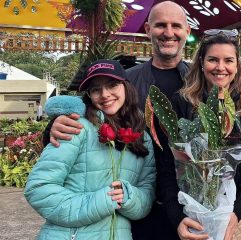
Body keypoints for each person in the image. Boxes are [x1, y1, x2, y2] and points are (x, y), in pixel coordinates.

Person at [42, 1, 192, 239]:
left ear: (188, 31)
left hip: (190, 204)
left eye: (176, 26)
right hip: (137, 211)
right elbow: (88, 110)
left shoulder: (200, 81)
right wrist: (53, 127)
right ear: (147, 29)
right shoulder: (124, 81)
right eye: (160, 25)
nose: (169, 32)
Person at [25, 59, 156, 239]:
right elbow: (39, 189)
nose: (105, 94)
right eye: (96, 89)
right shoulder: (76, 128)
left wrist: (129, 197)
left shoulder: (143, 138)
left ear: (126, 86)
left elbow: (147, 195)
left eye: (112, 85)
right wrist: (101, 201)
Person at [172, 30, 241, 240]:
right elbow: (166, 166)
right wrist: (177, 217)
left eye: (228, 60)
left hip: (234, 217)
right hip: (191, 217)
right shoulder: (182, 103)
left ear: (237, 66)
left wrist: (236, 212)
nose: (220, 67)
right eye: (213, 60)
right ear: (202, 63)